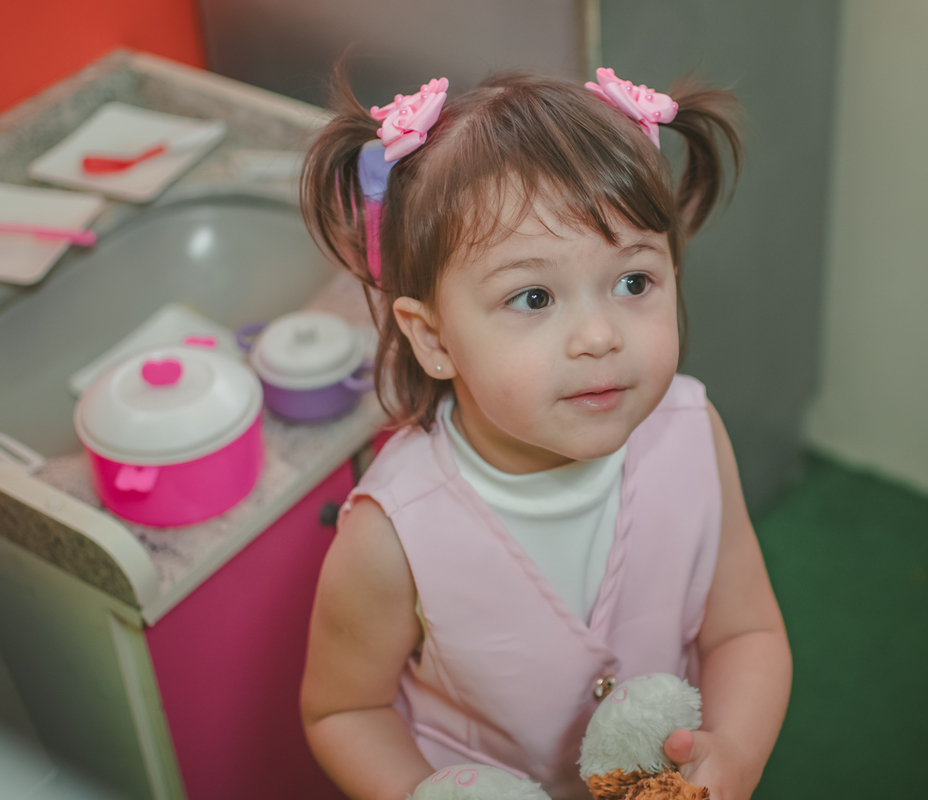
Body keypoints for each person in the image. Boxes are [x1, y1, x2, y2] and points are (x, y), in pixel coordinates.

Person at [298, 65, 793, 800]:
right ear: (432, 337)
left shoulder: (692, 434)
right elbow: (345, 708)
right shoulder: (389, 532)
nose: (599, 335)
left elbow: (745, 634)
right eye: (533, 296)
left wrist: (739, 755)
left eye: (634, 282)